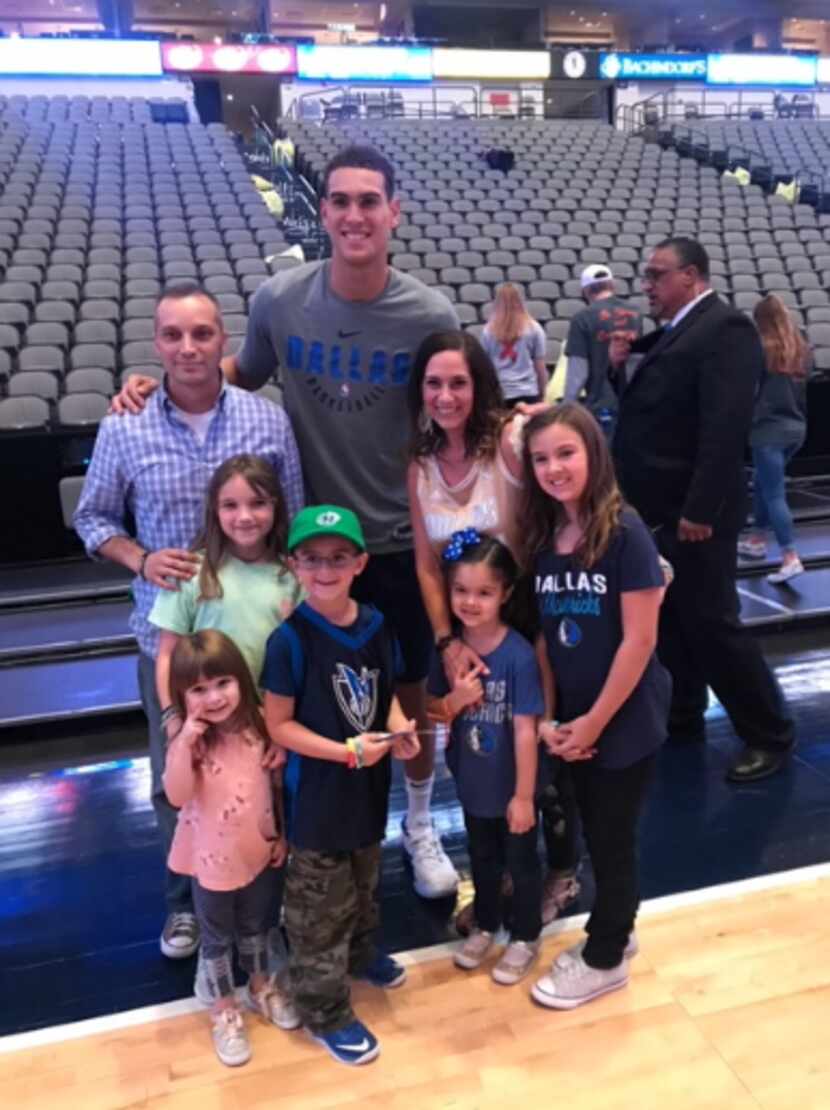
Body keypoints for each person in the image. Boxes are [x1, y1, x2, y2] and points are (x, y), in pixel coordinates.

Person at [110, 145, 461, 900]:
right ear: (322, 209)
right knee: (313, 714)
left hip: (398, 545)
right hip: (308, 553)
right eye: (340, 200)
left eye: (370, 201)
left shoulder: (430, 313)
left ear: (394, 212)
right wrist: (163, 381)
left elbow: (456, 403)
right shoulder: (279, 299)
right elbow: (241, 372)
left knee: (409, 703)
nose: (355, 214)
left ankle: (422, 823)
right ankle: (305, 851)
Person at [73, 284, 304, 960]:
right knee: (178, 775)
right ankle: (187, 906)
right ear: (157, 343)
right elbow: (93, 520)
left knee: (267, 768)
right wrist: (140, 558)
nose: (188, 347)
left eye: (201, 333)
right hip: (172, 642)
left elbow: (291, 516)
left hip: (261, 642)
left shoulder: (268, 422)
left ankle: (269, 895)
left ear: (223, 339)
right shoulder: (126, 424)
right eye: (173, 335)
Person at [407, 330, 581, 925]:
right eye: (434, 383)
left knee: (540, 756)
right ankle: (499, 873)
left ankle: (560, 872)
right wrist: (446, 641)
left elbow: (571, 462)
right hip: (459, 632)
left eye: (459, 381)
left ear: (480, 384)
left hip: (524, 625)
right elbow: (427, 564)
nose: (447, 395)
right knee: (480, 758)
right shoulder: (421, 462)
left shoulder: (510, 441)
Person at [610, 238, 794, 784]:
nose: (647, 286)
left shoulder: (726, 329)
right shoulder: (679, 331)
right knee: (671, 621)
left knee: (713, 624)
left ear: (690, 276)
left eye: (656, 275)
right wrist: (621, 368)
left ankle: (769, 733)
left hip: (695, 513)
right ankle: (683, 715)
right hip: (660, 508)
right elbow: (653, 408)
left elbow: (724, 428)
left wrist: (701, 508)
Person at [521, 403, 669, 1010]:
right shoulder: (545, 537)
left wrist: (594, 723)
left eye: (565, 453)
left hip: (622, 720)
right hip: (576, 721)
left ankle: (606, 955)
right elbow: (548, 639)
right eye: (540, 458)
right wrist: (556, 720)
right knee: (593, 828)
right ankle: (619, 928)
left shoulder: (625, 532)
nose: (553, 467)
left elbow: (640, 640)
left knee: (612, 839)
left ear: (593, 454)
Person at [262, 505, 420, 1066]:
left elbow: (388, 698)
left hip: (368, 790)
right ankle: (324, 1011)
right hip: (318, 798)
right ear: (293, 565)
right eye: (312, 559)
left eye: (337, 558)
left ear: (360, 562)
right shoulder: (289, 640)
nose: (325, 569)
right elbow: (277, 725)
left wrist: (400, 730)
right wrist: (344, 753)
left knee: (363, 885)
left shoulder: (377, 624)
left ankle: (360, 955)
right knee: (317, 910)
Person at [163, 629, 298, 1068]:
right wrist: (183, 741)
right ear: (183, 696)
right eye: (199, 689)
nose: (214, 697)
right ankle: (224, 1010)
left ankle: (260, 986)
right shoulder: (189, 741)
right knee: (217, 939)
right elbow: (178, 796)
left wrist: (282, 835)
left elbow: (277, 786)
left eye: (222, 683)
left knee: (259, 923)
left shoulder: (260, 724)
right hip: (211, 863)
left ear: (241, 679)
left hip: (259, 850)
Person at [427, 531, 543, 985]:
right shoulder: (450, 652)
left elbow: (525, 730)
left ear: (505, 595)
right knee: (482, 859)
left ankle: (526, 935)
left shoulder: (516, 657)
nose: (470, 602)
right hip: (472, 782)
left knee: (521, 863)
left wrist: (523, 795)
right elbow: (432, 711)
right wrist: (456, 700)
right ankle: (486, 923)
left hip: (511, 785)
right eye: (460, 591)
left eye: (483, 593)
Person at [150, 453, 303, 703]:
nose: (244, 517)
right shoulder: (189, 571)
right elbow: (168, 654)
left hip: (276, 718)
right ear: (215, 509)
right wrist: (172, 717)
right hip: (210, 718)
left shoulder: (294, 574)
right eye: (230, 505)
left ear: (276, 506)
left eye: (258, 503)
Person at [738, 294, 809, 584]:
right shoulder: (800, 348)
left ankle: (790, 557)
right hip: (797, 430)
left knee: (774, 493)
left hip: (768, 431)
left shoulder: (759, 348)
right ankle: (756, 540)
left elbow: (750, 391)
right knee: (765, 484)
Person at [563, 264, 642, 433]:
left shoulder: (581, 318)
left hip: (600, 404)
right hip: (633, 401)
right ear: (612, 285)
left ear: (585, 291)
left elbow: (578, 374)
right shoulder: (636, 313)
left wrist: (565, 410)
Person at [481, 283, 548, 406]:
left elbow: (485, 368)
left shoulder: (488, 331)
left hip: (500, 394)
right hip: (529, 393)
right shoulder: (534, 328)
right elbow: (540, 367)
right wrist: (543, 393)